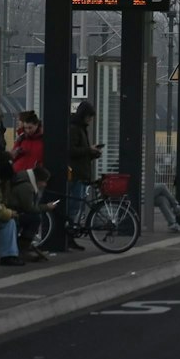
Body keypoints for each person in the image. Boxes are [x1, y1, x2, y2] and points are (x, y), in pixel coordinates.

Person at [67, 101, 103, 251]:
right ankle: (68, 237)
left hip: (80, 173)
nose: (90, 120)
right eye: (89, 116)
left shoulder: (80, 129)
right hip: (75, 174)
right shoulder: (75, 129)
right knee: (74, 207)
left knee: (76, 207)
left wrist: (92, 153)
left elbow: (80, 152)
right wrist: (89, 150)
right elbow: (71, 151)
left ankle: (70, 237)